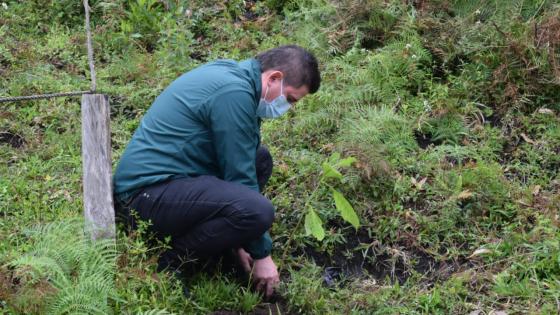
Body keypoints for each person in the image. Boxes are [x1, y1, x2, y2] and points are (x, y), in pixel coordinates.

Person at [113, 45, 320, 297]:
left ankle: (223, 250)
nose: (287, 108)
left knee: (260, 160)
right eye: (289, 99)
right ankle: (171, 264)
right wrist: (262, 254)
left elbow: (244, 160)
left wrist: (244, 239)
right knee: (258, 211)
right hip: (143, 197)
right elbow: (240, 179)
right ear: (274, 78)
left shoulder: (236, 78)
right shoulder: (234, 94)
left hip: (168, 183)